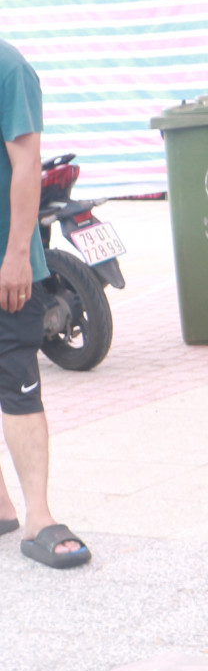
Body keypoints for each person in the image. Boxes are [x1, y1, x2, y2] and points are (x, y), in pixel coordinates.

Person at [0, 38, 88, 569]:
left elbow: (28, 165)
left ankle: (38, 515)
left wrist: (15, 256)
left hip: (6, 267)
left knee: (17, 383)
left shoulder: (9, 69)